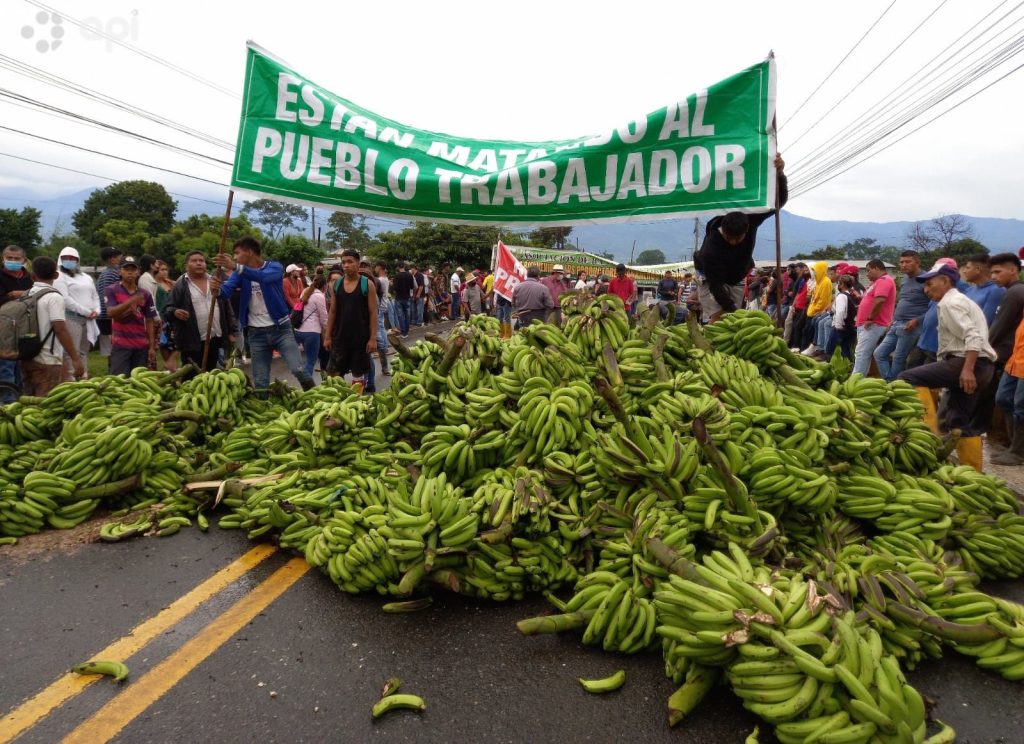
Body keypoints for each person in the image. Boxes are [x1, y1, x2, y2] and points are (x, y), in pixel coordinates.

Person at [898, 261, 996, 471]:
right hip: (981, 365)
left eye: (930, 284)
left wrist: (967, 369)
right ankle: (973, 475)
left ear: (945, 281)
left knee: (907, 378)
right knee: (959, 422)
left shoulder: (950, 303)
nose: (926, 290)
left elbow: (973, 337)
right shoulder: (960, 300)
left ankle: (927, 436)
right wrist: (939, 377)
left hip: (969, 362)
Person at [693, 154, 788, 322]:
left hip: (736, 276)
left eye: (738, 239)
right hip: (710, 279)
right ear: (724, 230)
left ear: (746, 231)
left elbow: (777, 202)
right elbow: (716, 287)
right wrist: (731, 310)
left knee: (733, 319)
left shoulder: (751, 220)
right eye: (730, 238)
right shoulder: (711, 250)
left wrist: (780, 174)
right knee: (721, 319)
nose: (733, 242)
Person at [215, 237, 315, 392]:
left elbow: (263, 278)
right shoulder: (239, 274)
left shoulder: (274, 267)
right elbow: (227, 291)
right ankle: (264, 408)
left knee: (298, 369)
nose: (234, 257)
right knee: (261, 381)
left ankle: (314, 398)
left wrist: (235, 266)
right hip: (256, 334)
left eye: (237, 253)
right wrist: (217, 290)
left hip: (281, 330)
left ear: (249, 252)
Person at [164, 250, 236, 372]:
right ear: (186, 265)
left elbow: (226, 306)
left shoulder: (215, 281)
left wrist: (231, 330)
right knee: (192, 374)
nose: (199, 263)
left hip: (215, 338)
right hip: (192, 341)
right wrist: (175, 312)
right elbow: (166, 310)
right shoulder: (180, 285)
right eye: (194, 261)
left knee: (213, 373)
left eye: (201, 261)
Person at [22, 256, 84, 395]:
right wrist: (75, 358)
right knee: (46, 404)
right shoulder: (54, 297)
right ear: (56, 275)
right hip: (47, 359)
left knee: (29, 402)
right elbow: (60, 329)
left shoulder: (26, 294)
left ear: (32, 276)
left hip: (27, 356)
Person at [324, 249, 378, 389]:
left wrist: (373, 338)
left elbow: (373, 312)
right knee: (334, 374)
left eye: (350, 262)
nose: (346, 265)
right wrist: (328, 336)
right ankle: (336, 401)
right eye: (343, 262)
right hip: (340, 337)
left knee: (358, 375)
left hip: (360, 338)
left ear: (358, 264)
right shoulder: (336, 284)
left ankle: (356, 402)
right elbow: (333, 311)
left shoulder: (367, 284)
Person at [874, 250, 929, 381]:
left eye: (908, 261)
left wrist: (917, 320)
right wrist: (893, 319)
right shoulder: (904, 279)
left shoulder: (926, 279)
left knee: (899, 358)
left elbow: (934, 306)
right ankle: (890, 382)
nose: (904, 265)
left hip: (911, 325)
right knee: (879, 353)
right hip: (896, 323)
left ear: (917, 262)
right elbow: (903, 300)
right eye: (901, 262)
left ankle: (893, 388)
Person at [104, 255, 158, 376]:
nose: (130, 272)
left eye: (133, 269)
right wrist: (131, 301)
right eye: (126, 269)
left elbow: (150, 320)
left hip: (140, 345)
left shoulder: (145, 294)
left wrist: (151, 347)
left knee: (139, 380)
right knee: (119, 380)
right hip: (120, 344)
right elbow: (110, 312)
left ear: (138, 272)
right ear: (120, 271)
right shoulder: (111, 290)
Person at [52, 247, 99, 381]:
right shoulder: (59, 276)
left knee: (84, 351)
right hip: (71, 318)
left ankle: (84, 377)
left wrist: (97, 310)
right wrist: (87, 312)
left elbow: (95, 296)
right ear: (60, 259)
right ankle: (71, 380)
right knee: (71, 351)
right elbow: (65, 299)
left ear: (77, 260)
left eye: (72, 258)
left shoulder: (85, 277)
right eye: (66, 258)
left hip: (89, 320)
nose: (69, 260)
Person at [0, 244, 34, 401]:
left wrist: (21, 294)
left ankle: (20, 399)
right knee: (6, 365)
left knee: (21, 366)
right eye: (9, 258)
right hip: (4, 329)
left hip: (25, 327)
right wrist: (11, 297)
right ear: (3, 259)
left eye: (16, 258)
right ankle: (8, 404)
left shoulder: (29, 278)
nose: (12, 261)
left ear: (24, 260)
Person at [852, 259, 896, 376]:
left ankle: (855, 380)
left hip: (874, 323)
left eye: (868, 270)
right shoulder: (876, 282)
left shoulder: (884, 280)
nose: (867, 274)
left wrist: (870, 318)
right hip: (867, 323)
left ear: (876, 268)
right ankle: (859, 378)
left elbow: (880, 300)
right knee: (861, 353)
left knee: (862, 353)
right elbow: (870, 301)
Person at [359, 259, 389, 392]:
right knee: (364, 356)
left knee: (377, 345)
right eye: (362, 266)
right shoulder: (352, 285)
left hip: (372, 321)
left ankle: (378, 373)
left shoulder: (374, 282)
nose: (364, 268)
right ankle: (366, 382)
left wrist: (373, 335)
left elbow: (376, 305)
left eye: (366, 266)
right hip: (359, 327)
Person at [294, 275, 329, 381]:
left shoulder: (305, 291)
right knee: (310, 361)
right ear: (324, 286)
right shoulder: (319, 296)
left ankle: (303, 377)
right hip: (312, 332)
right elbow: (324, 319)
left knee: (306, 359)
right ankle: (306, 384)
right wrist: (327, 333)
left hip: (299, 330)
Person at [95, 246, 123, 359]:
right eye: (119, 257)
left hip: (103, 316)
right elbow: (111, 295)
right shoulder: (113, 274)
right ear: (112, 259)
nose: (121, 259)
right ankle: (114, 369)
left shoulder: (104, 274)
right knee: (113, 348)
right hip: (109, 317)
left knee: (109, 348)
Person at [801, 261, 833, 356]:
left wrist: (813, 311)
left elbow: (822, 301)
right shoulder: (818, 282)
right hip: (811, 311)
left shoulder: (826, 282)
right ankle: (808, 348)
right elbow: (814, 297)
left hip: (817, 312)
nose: (813, 272)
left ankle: (815, 348)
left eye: (815, 270)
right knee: (806, 331)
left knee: (810, 331)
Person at [962, 254, 1004, 324]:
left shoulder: (996, 291)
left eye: (967, 268)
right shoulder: (969, 290)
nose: (964, 271)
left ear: (978, 269)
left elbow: (985, 322)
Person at [825, 274, 857, 361]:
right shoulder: (851, 296)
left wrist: (838, 327)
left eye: (839, 283)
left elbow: (840, 312)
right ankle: (847, 369)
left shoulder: (841, 296)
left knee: (830, 351)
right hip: (850, 327)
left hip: (841, 327)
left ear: (842, 284)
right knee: (845, 351)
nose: (838, 285)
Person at [153, 261, 178, 372]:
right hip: (161, 318)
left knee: (175, 344)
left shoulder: (170, 283)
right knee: (164, 344)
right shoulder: (154, 285)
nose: (165, 272)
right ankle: (170, 369)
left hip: (172, 318)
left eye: (166, 269)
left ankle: (172, 368)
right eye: (162, 270)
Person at [393, 261, 414, 337]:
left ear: (398, 267)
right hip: (407, 297)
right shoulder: (409, 275)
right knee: (407, 315)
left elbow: (394, 288)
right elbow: (412, 286)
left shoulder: (396, 276)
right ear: (404, 266)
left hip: (398, 298)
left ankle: (403, 332)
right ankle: (406, 332)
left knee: (400, 316)